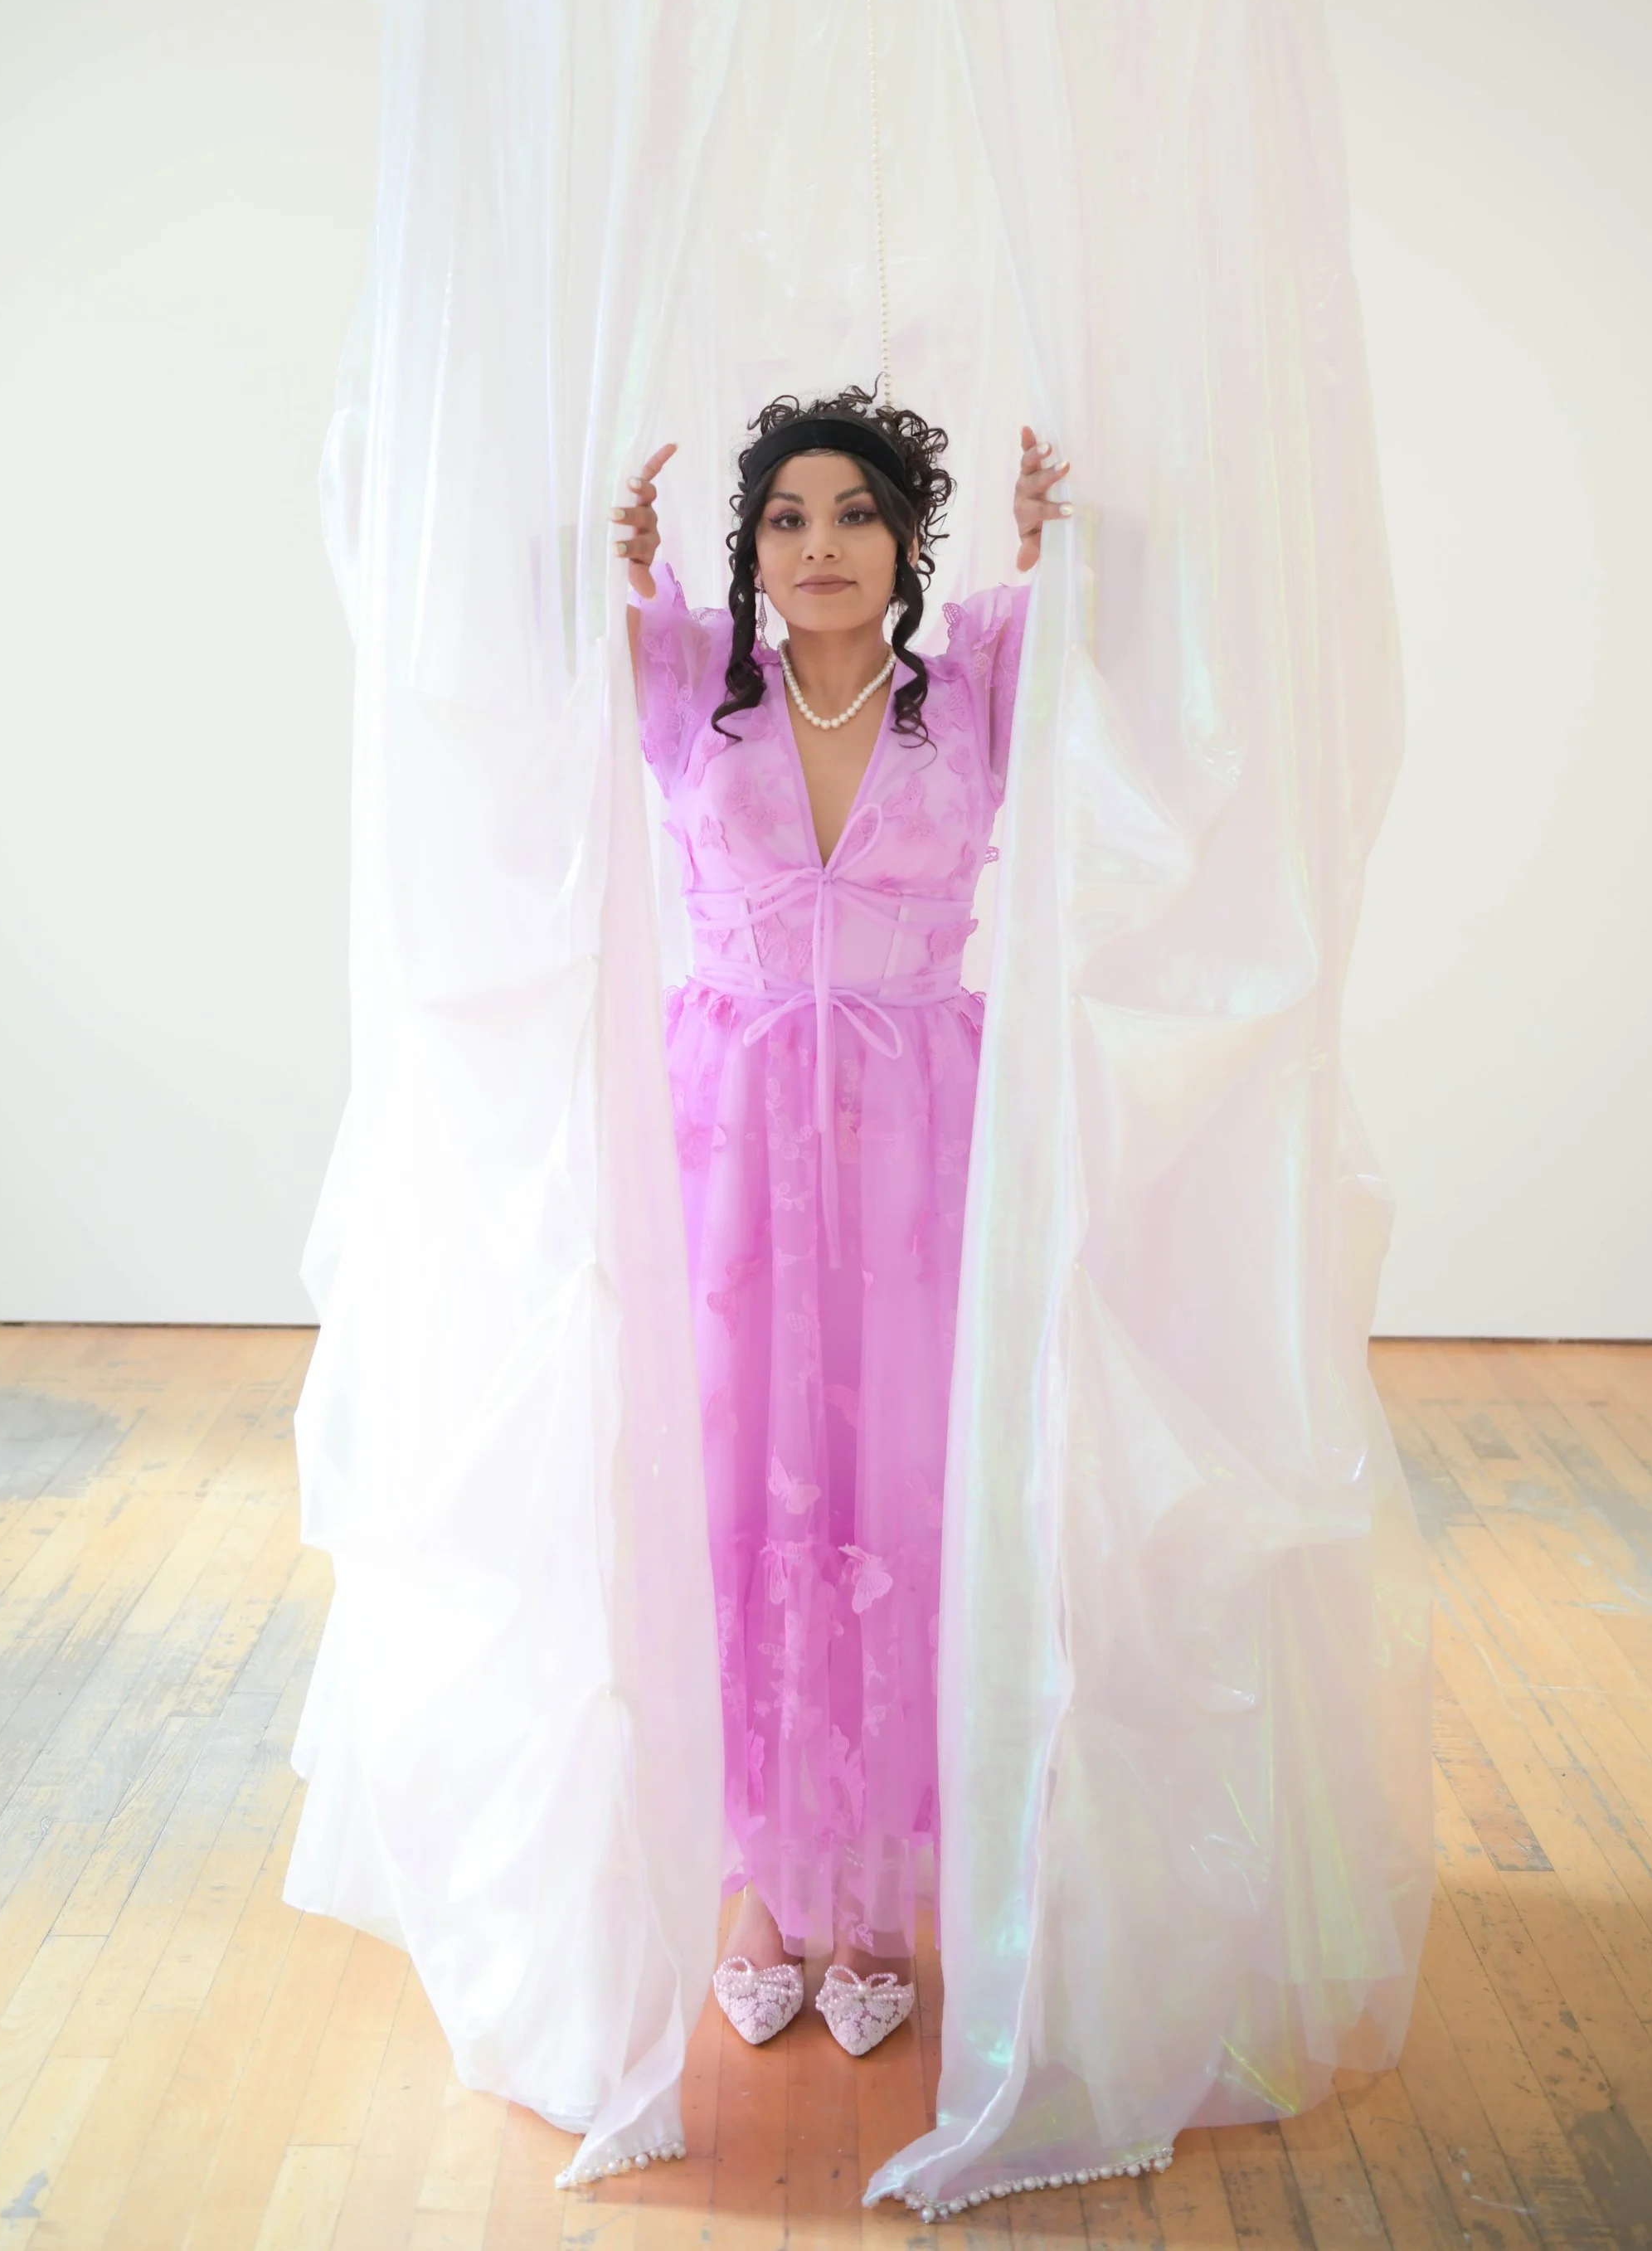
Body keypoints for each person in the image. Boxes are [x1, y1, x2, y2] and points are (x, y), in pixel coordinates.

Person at [612, 392, 1071, 2059]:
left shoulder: (978, 689)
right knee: (733, 1488)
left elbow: (1117, 655)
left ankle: (877, 1885)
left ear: (907, 542)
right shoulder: (689, 682)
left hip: (913, 1150)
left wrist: (1055, 547)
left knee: (906, 1486)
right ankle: (759, 1877)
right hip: (728, 1141)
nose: (820, 545)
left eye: (857, 514)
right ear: (749, 549)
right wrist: (613, 559)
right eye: (787, 517)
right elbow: (499, 670)